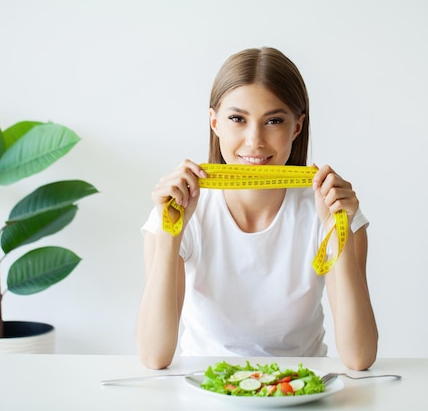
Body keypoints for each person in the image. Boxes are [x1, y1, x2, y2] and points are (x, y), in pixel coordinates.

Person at [137, 47, 378, 371]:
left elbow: (359, 357)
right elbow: (154, 356)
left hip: (299, 391)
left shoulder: (331, 213)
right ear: (214, 122)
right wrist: (171, 232)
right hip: (205, 388)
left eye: (274, 120)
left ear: (296, 127)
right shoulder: (178, 212)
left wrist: (336, 228)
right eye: (237, 119)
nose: (255, 141)